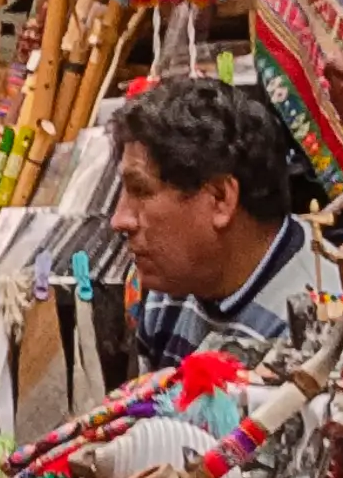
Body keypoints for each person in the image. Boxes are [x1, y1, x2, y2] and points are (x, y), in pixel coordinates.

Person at [113, 72, 330, 362]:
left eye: (140, 189)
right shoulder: (170, 288)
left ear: (219, 198)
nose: (120, 220)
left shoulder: (316, 329)